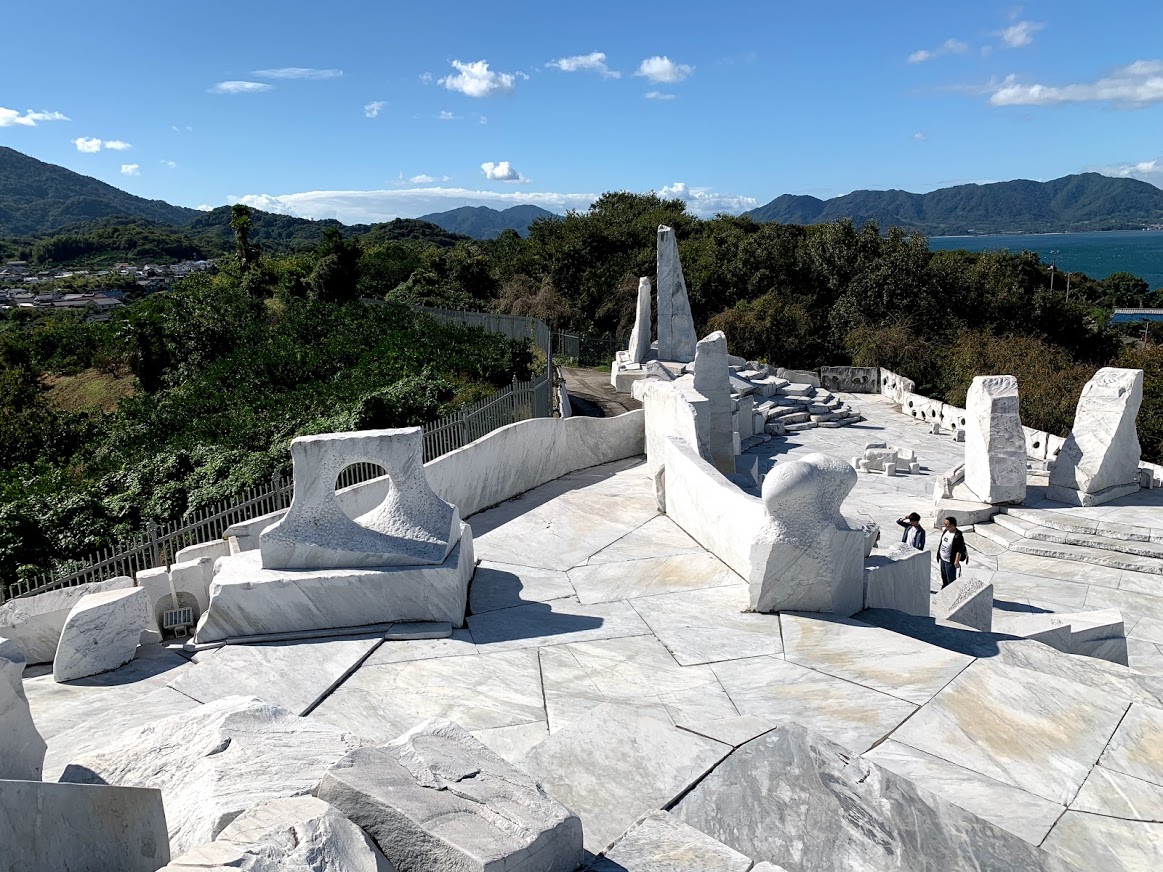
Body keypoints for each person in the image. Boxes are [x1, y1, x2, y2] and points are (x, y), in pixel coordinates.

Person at [937, 516, 967, 588]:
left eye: (947, 525)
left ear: (952, 525)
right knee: (944, 577)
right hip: (943, 559)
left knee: (951, 579)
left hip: (949, 561)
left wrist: (956, 561)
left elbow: (959, 550)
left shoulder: (958, 535)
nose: (945, 526)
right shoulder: (946, 531)